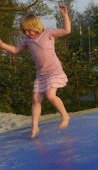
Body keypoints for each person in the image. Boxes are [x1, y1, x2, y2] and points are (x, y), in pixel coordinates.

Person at [0, 7, 72, 139]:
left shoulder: (48, 34)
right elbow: (16, 50)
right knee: (35, 99)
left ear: (36, 26)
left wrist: (65, 15)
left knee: (50, 95)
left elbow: (67, 30)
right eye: (25, 31)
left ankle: (65, 115)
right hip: (41, 74)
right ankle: (34, 127)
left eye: (29, 30)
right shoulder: (27, 40)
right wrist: (3, 45)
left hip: (54, 71)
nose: (28, 33)